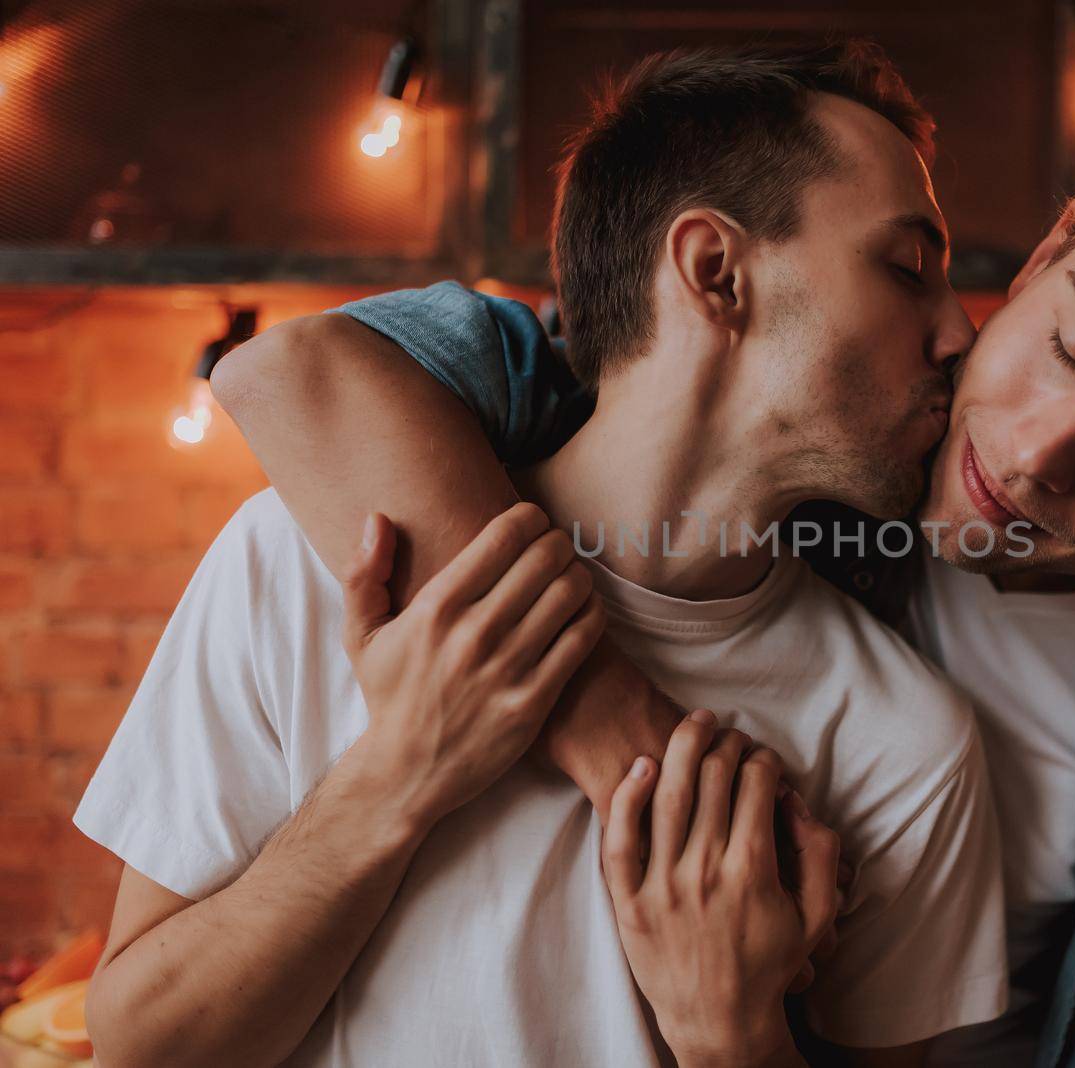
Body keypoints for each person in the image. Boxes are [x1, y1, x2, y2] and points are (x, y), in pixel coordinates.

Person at [217, 86, 1075, 1066]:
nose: (1033, 456)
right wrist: (638, 758)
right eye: (1071, 348)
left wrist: (739, 1031)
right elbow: (299, 374)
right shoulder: (755, 419)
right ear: (1041, 258)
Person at [73, 44, 1012, 1068]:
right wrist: (393, 782)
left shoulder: (905, 744)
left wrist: (731, 1034)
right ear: (714, 272)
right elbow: (138, 1048)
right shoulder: (300, 561)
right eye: (907, 268)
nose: (960, 334)